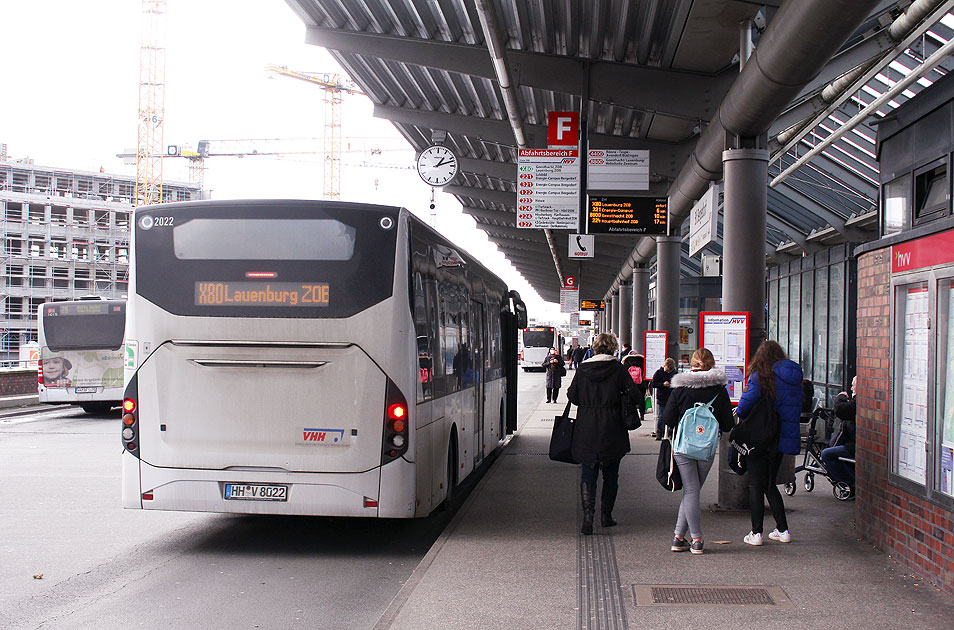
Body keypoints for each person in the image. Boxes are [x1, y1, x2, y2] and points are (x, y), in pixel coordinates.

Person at [661, 348, 734, 555]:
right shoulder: (719, 390)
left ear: (691, 363)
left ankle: (688, 538)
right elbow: (728, 424)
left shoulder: (681, 388)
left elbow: (667, 419)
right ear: (711, 363)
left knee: (691, 491)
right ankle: (687, 537)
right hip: (706, 449)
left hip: (682, 447)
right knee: (693, 491)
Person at [567, 333, 642, 535]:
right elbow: (635, 395)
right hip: (613, 428)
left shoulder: (583, 369)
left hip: (587, 428)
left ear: (595, 348)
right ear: (613, 349)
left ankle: (588, 516)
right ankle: (606, 515)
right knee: (611, 474)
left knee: (588, 472)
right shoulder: (618, 370)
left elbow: (572, 396)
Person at [736, 340, 803, 546]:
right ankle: (782, 529)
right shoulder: (795, 378)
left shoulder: (762, 376)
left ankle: (756, 533)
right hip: (781, 439)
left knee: (756, 483)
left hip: (761, 437)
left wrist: (738, 413)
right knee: (769, 483)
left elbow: (744, 407)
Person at [821, 376, 856, 494]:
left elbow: (841, 410)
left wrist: (840, 397)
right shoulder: (856, 402)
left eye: (853, 385)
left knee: (827, 454)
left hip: (853, 445)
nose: (851, 388)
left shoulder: (857, 402)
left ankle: (851, 483)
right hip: (852, 442)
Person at [651, 358, 678, 440]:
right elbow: (654, 384)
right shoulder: (659, 372)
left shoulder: (675, 373)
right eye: (667, 370)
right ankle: (660, 432)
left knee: (671, 415)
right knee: (661, 415)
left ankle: (670, 431)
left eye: (670, 370)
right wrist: (662, 384)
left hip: (671, 397)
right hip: (662, 397)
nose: (668, 371)